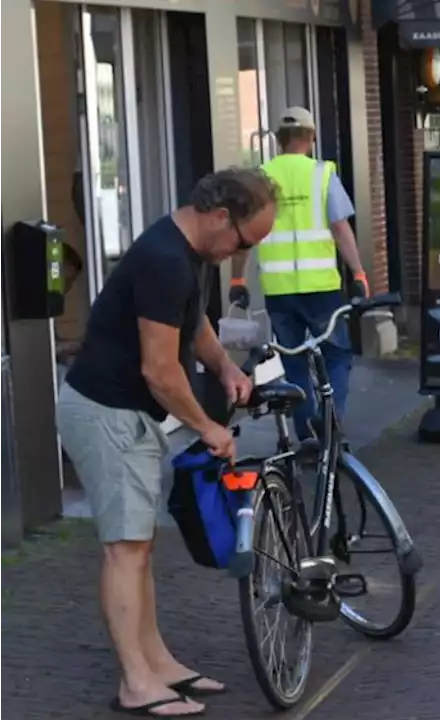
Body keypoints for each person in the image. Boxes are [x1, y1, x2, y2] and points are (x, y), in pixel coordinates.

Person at [56, 168, 275, 717]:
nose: (239, 255)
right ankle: (136, 682)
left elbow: (194, 318)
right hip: (108, 413)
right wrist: (207, 426)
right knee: (124, 548)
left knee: (139, 543)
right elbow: (159, 370)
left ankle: (158, 663)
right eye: (245, 242)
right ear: (221, 217)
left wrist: (223, 364)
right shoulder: (163, 260)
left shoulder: (190, 255)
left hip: (131, 413)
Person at [230, 107, 368, 438]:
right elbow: (340, 228)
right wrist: (359, 274)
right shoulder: (321, 174)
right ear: (311, 136)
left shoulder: (260, 178)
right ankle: (329, 421)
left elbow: (245, 235)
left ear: (278, 140)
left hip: (279, 291)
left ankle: (306, 435)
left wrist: (237, 279)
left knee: (292, 363)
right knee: (336, 356)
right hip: (321, 288)